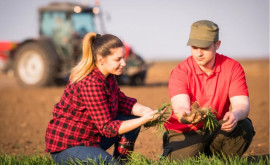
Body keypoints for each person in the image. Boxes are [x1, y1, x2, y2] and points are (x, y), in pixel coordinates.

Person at [45, 32, 166, 165]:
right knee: (134, 123)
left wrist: (145, 111)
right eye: (118, 59)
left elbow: (122, 101)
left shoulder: (107, 75)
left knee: (131, 120)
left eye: (124, 58)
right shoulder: (91, 83)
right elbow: (107, 128)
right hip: (69, 146)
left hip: (91, 138)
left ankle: (122, 161)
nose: (124, 63)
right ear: (101, 59)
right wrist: (143, 120)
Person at [162, 20, 255, 161]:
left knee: (244, 126)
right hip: (186, 131)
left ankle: (219, 160)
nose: (199, 53)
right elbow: (180, 105)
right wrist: (187, 116)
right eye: (194, 47)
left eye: (204, 48)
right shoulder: (180, 71)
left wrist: (235, 115)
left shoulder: (233, 67)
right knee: (181, 161)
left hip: (217, 127)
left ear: (217, 45)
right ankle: (172, 147)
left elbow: (242, 104)